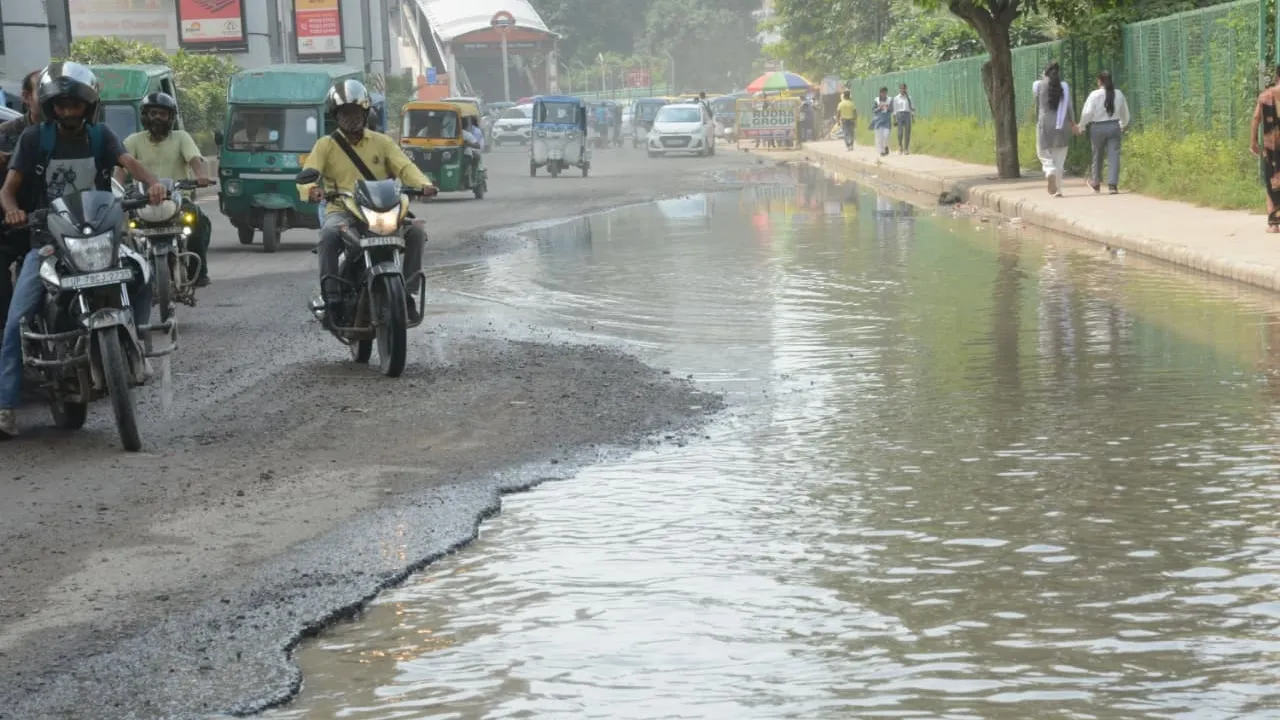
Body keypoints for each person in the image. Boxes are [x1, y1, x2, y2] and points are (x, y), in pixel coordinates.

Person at [0, 62, 165, 438]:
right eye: (60, 105)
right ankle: (6, 405)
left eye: (75, 105)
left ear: (88, 106)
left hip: (99, 238)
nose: (67, 111)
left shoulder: (101, 136)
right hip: (48, 244)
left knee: (141, 272)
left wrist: (154, 185)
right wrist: (12, 211)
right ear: (50, 106)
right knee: (16, 320)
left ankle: (137, 338)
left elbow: (130, 163)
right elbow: (8, 190)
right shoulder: (33, 140)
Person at [296, 79, 435, 327]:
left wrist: (423, 183)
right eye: (345, 113)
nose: (351, 118)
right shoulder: (325, 145)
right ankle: (332, 298)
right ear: (336, 116)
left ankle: (407, 293)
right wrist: (312, 189)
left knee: (416, 230)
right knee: (328, 235)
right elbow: (309, 173)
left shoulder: (382, 142)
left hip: (380, 209)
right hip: (343, 210)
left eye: (355, 112)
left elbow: (404, 166)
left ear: (365, 113)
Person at [115, 92, 214, 286]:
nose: (158, 118)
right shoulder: (133, 141)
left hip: (177, 199)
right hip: (142, 202)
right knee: (122, 230)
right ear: (145, 116)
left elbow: (194, 159)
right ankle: (128, 276)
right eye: (153, 113)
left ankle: (199, 273)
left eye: (163, 114)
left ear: (171, 117)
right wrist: (115, 190)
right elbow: (120, 168)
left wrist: (200, 175)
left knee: (199, 221)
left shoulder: (181, 137)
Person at [0, 69, 41, 335]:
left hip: (62, 222)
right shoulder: (7, 133)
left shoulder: (75, 130)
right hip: (14, 223)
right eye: (43, 90)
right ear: (26, 97)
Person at [1075, 71, 1129, 194]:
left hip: (1097, 127)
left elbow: (1087, 113)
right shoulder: (1118, 94)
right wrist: (1123, 124)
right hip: (1114, 126)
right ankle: (1112, 185)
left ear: (1099, 81)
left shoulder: (1094, 95)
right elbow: (1125, 112)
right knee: (1114, 155)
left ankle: (1096, 183)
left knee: (1097, 155)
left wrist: (1081, 126)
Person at [1032, 61, 1078, 197]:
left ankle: (1049, 169)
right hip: (1061, 125)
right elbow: (1069, 108)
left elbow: (1037, 101)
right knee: (1060, 160)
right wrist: (1073, 123)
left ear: (1044, 72)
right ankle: (1058, 190)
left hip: (1044, 124)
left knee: (1043, 153)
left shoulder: (1038, 85)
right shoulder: (1064, 86)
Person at [1252, 65, 1280, 233]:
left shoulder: (1265, 96)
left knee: (1271, 179)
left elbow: (1256, 118)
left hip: (1271, 146)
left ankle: (1274, 223)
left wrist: (1253, 141)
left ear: (1277, 76)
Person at [893, 83, 915, 154]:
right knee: (900, 132)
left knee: (907, 132)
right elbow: (895, 109)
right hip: (899, 115)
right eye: (901, 88)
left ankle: (906, 149)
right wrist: (894, 119)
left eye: (904, 88)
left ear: (906, 89)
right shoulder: (896, 98)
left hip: (907, 115)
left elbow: (912, 108)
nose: (902, 90)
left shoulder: (909, 98)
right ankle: (900, 147)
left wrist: (913, 117)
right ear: (899, 89)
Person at [461, 115, 483, 182]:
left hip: (465, 155)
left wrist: (467, 144)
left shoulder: (466, 134)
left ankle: (471, 177)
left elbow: (478, 145)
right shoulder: (447, 133)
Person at [871, 87, 892, 156]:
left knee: (886, 136)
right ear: (880, 93)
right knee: (879, 137)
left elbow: (892, 109)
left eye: (885, 93)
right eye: (883, 93)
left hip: (887, 121)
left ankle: (886, 146)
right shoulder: (876, 100)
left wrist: (888, 108)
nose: (884, 94)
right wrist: (879, 108)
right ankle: (882, 151)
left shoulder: (889, 99)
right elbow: (873, 110)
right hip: (878, 121)